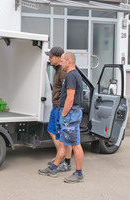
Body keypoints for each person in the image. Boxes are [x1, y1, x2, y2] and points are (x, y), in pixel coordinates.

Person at [38, 52, 84, 183]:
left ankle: (79, 173)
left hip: (70, 114)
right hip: (70, 113)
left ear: (69, 61)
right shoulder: (73, 75)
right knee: (63, 142)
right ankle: (53, 168)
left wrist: (63, 114)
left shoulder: (71, 76)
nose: (61, 63)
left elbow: (70, 97)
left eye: (62, 61)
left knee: (75, 145)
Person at [45, 47, 72, 172]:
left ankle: (66, 162)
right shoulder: (57, 69)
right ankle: (59, 156)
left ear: (60, 58)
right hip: (55, 107)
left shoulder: (63, 71)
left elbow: (68, 92)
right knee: (51, 130)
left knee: (64, 136)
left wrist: (64, 110)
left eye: (51, 57)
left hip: (60, 108)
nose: (49, 59)